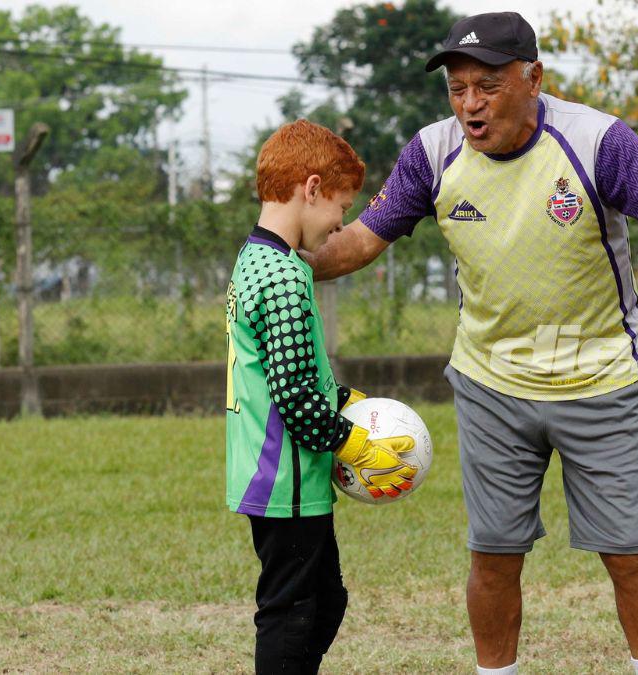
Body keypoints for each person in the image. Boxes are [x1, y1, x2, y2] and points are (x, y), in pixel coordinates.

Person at [303, 12, 638, 675]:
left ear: (533, 78)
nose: (470, 105)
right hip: (489, 384)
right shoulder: (431, 153)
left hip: (600, 380)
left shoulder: (598, 143)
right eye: (457, 89)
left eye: (487, 87)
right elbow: (358, 243)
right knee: (493, 557)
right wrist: (276, 252)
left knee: (631, 556)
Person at [225, 119, 419, 673]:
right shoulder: (285, 277)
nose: (340, 225)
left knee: (325, 602)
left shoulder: (256, 258)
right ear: (311, 189)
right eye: (341, 207)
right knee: (290, 614)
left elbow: (293, 371)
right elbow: (294, 398)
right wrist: (356, 444)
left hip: (281, 477)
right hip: (283, 479)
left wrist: (347, 398)